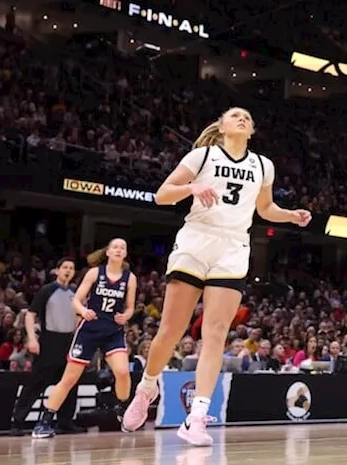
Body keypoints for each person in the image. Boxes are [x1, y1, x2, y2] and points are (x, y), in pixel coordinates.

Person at [120, 107, 311, 446]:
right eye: (235, 115)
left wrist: (290, 215)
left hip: (234, 247)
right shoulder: (202, 155)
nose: (242, 119)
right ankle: (147, 387)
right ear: (221, 126)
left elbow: (264, 209)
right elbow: (162, 194)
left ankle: (197, 417)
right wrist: (193, 187)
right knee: (171, 330)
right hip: (197, 238)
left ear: (250, 132)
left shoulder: (263, 165)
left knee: (216, 334)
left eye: (248, 119)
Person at [32, 238, 136, 439]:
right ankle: (44, 421)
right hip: (89, 329)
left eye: (123, 247)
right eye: (115, 246)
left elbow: (130, 306)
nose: (119, 250)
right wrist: (83, 310)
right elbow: (76, 301)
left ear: (125, 254)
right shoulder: (95, 272)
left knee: (123, 372)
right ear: (107, 252)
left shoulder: (129, 278)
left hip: (112, 330)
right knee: (69, 378)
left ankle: (122, 410)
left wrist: (126, 316)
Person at [10, 258, 79, 435]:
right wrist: (32, 339)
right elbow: (30, 315)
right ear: (57, 270)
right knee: (36, 382)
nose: (68, 271)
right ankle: (18, 422)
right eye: (65, 267)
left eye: (71, 268)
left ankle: (65, 422)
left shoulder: (75, 292)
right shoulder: (47, 290)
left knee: (69, 382)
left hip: (69, 341)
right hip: (50, 340)